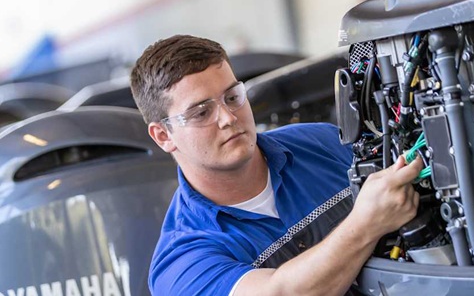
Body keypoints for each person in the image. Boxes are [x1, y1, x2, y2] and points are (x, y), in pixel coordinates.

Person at [130, 34, 422, 296]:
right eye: (201, 112)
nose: (228, 118)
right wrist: (365, 223)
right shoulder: (181, 265)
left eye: (233, 97)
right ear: (163, 136)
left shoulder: (322, 142)